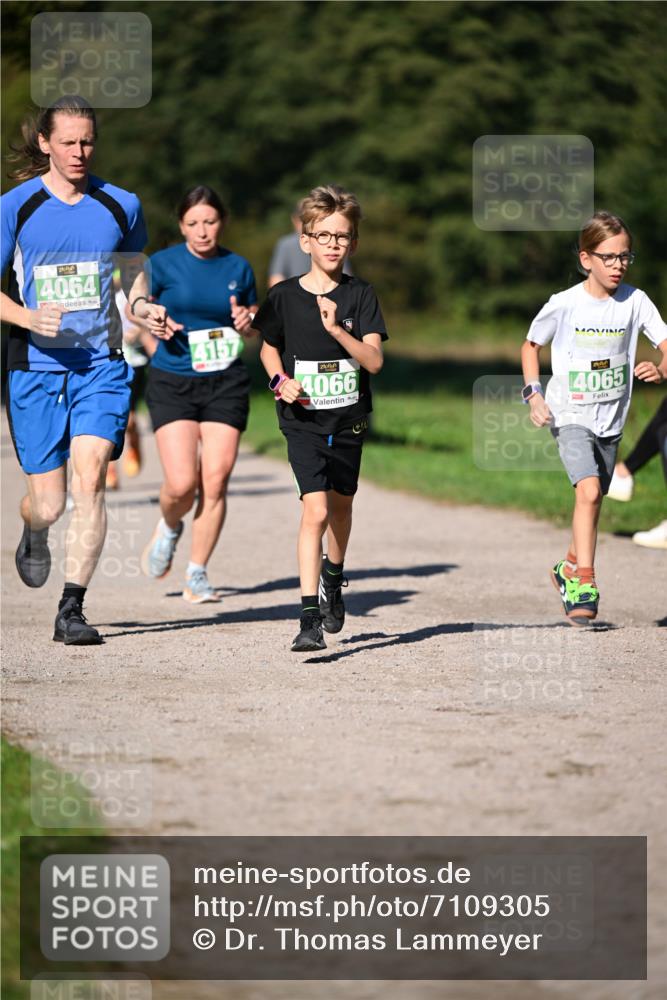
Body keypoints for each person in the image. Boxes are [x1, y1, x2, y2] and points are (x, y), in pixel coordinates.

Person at [1, 96, 149, 645]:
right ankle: (33, 528)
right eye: (67, 142)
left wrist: (142, 308)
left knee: (91, 480)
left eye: (87, 141)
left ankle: (71, 609)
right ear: (45, 143)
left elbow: (134, 274)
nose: (79, 151)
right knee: (50, 501)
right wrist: (26, 315)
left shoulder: (121, 205)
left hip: (100, 364)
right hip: (34, 365)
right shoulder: (14, 207)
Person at [253, 184, 387, 651]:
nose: (333, 244)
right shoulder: (285, 297)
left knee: (342, 506)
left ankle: (335, 573)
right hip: (302, 419)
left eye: (342, 236)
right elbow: (268, 347)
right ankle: (308, 616)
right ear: (305, 240)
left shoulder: (360, 295)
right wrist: (278, 382)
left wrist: (336, 330)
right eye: (324, 235)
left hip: (348, 418)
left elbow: (373, 362)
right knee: (316, 509)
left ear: (352, 243)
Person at [521, 210, 667, 624]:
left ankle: (568, 566)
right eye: (609, 257)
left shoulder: (635, 301)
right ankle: (584, 580)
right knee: (587, 492)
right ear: (586, 259)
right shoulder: (564, 304)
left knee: (595, 496)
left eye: (625, 257)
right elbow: (530, 346)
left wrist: (660, 368)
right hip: (569, 413)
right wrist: (533, 394)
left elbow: (665, 343)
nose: (618, 265)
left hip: (611, 418)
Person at [129, 185, 257, 603]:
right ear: (181, 225)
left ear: (222, 222)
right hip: (174, 380)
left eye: (210, 221)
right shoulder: (162, 264)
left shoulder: (239, 266)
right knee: (182, 484)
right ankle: (168, 526)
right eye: (193, 223)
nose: (203, 231)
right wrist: (154, 319)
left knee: (215, 480)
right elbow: (139, 307)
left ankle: (197, 573)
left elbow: (255, 324)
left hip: (226, 381)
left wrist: (248, 320)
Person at [105, 268, 155, 489]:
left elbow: (145, 323)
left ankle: (133, 443)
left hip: (134, 362)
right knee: (105, 419)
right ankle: (109, 470)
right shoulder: (98, 298)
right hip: (107, 363)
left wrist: (138, 331)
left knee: (129, 420)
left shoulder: (135, 295)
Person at [268, 201, 352, 287]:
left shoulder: (286, 243)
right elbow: (346, 276)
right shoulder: (336, 241)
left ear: (294, 219)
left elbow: (276, 278)